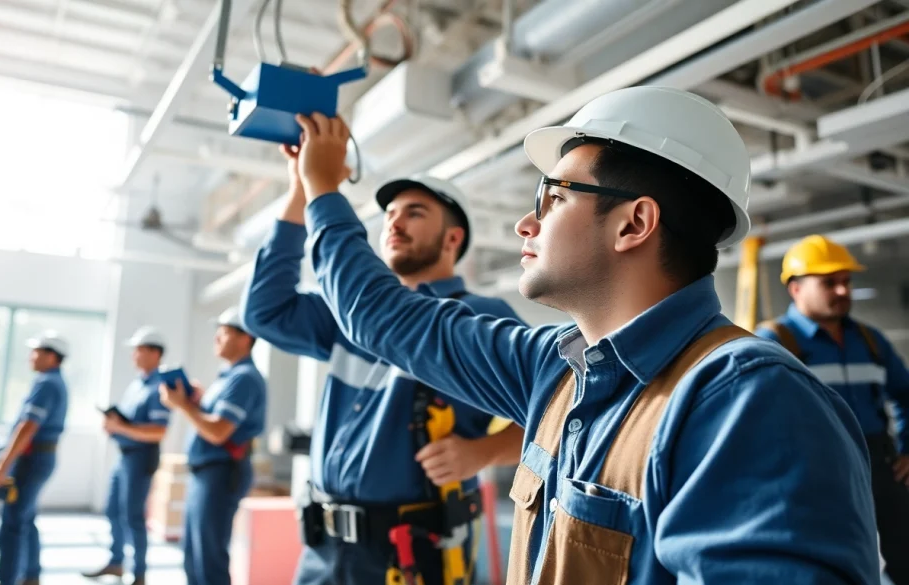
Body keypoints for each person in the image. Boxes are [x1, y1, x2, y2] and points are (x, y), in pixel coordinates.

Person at [285, 86, 881, 584]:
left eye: (554, 196)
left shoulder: (747, 404)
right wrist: (319, 190)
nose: (526, 222)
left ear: (633, 223)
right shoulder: (556, 370)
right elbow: (384, 318)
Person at [240, 140, 527, 585]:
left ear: (453, 238)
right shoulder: (349, 316)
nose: (394, 221)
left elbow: (555, 416)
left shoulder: (481, 317)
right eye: (390, 213)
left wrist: (484, 452)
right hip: (323, 547)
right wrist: (300, 188)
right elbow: (264, 311)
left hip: (413, 551)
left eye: (414, 212)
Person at [756, 234, 909, 584]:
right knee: (832, 566)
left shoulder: (870, 340)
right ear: (795, 288)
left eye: (846, 282)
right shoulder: (772, 343)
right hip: (815, 472)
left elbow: (905, 393)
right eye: (829, 283)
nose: (842, 291)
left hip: (881, 465)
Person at [159, 307, 266, 585]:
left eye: (225, 331)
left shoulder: (244, 378)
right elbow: (212, 421)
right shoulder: (228, 377)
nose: (217, 337)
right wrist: (196, 403)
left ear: (246, 339)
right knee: (193, 553)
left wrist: (183, 406)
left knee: (209, 558)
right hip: (206, 473)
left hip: (221, 473)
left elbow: (218, 431)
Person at [83, 326, 171, 585]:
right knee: (113, 510)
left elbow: (158, 431)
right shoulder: (137, 384)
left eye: (139, 350)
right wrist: (114, 423)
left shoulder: (160, 387)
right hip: (124, 456)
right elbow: (131, 422)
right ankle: (116, 562)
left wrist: (120, 427)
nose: (134, 355)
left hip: (141, 458)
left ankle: (140, 573)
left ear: (154, 353)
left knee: (133, 516)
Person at [0, 331, 69, 585]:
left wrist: (2, 466)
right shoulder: (53, 381)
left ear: (51, 356)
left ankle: (9, 580)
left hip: (32, 461)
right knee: (26, 518)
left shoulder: (47, 384)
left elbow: (27, 428)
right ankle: (31, 576)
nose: (30, 357)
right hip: (41, 458)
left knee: (13, 523)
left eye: (36, 352)